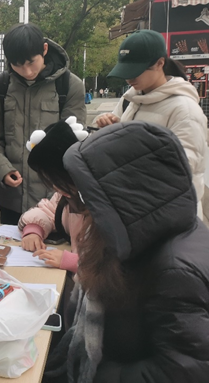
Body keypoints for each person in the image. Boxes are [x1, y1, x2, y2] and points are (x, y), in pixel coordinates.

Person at [45, 121, 209, 383]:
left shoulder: (174, 271)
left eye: (89, 194)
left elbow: (183, 371)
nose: (83, 204)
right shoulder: (140, 235)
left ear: (123, 191)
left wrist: (100, 375)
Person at [0, 23, 86, 225]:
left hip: (56, 199)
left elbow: (74, 144)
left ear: (44, 49)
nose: (27, 71)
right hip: (12, 198)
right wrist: (3, 170)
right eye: (17, 65)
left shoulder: (69, 85)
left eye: (31, 62)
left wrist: (60, 183)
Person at [95, 29, 207, 216]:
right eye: (126, 71)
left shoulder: (185, 110)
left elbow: (183, 168)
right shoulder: (130, 100)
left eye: (136, 71)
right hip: (135, 208)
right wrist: (108, 128)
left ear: (160, 63)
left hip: (172, 215)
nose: (129, 78)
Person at [19, 117, 89, 274]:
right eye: (51, 183)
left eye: (57, 181)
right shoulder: (67, 197)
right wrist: (33, 230)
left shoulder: (104, 206)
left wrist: (73, 261)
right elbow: (49, 211)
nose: (55, 188)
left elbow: (115, 263)